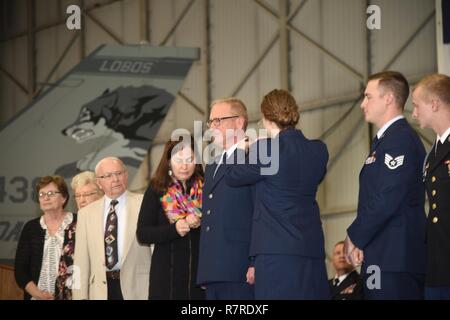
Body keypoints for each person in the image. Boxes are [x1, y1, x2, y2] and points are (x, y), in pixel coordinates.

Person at [226, 89, 329, 299]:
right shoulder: (318, 150)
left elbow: (232, 175)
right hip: (311, 250)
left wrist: (242, 148)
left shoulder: (266, 150)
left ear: (265, 118)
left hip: (276, 252)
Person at [345, 71, 427, 299]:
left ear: (389, 98)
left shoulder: (400, 140)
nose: (363, 104)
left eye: (368, 97)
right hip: (381, 257)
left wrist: (354, 236)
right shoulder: (385, 142)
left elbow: (387, 197)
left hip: (396, 260)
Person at [197, 98, 255, 300]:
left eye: (218, 121)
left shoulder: (254, 157)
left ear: (239, 123)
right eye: (210, 122)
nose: (212, 127)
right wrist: (205, 269)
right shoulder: (212, 165)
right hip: (213, 271)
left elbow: (258, 212)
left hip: (239, 268)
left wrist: (254, 262)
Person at [73, 157, 151, 300]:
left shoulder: (144, 204)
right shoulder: (85, 214)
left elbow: (155, 249)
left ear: (126, 175)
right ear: (99, 182)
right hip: (100, 291)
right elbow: (80, 263)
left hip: (139, 288)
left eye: (119, 173)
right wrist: (79, 297)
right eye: (108, 176)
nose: (115, 179)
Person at [137, 137, 205, 299]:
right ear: (168, 161)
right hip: (166, 279)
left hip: (198, 278)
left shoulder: (207, 187)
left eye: (190, 159)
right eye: (178, 160)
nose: (184, 166)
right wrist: (174, 229)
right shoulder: (156, 190)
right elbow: (143, 234)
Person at [412, 73, 450, 300]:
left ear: (434, 104)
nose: (414, 113)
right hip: (437, 265)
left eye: (417, 106)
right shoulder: (431, 154)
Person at [15, 175, 76, 300]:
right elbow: (21, 271)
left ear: (64, 198)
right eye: (41, 194)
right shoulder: (31, 227)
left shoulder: (78, 223)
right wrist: (37, 294)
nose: (46, 198)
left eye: (51, 193)